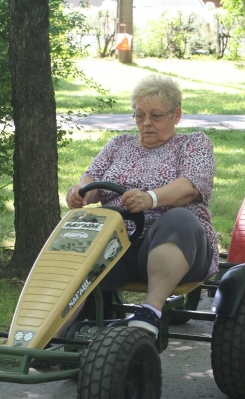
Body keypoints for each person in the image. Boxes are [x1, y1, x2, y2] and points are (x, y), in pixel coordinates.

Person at [65, 75, 218, 335]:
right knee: (78, 230)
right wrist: (80, 192)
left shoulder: (193, 144)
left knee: (179, 218)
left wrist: (150, 198)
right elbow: (92, 177)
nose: (146, 123)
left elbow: (189, 187)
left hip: (182, 249)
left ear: (176, 114)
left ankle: (152, 311)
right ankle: (53, 333)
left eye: (156, 115)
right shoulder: (118, 144)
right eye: (139, 115)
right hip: (119, 248)